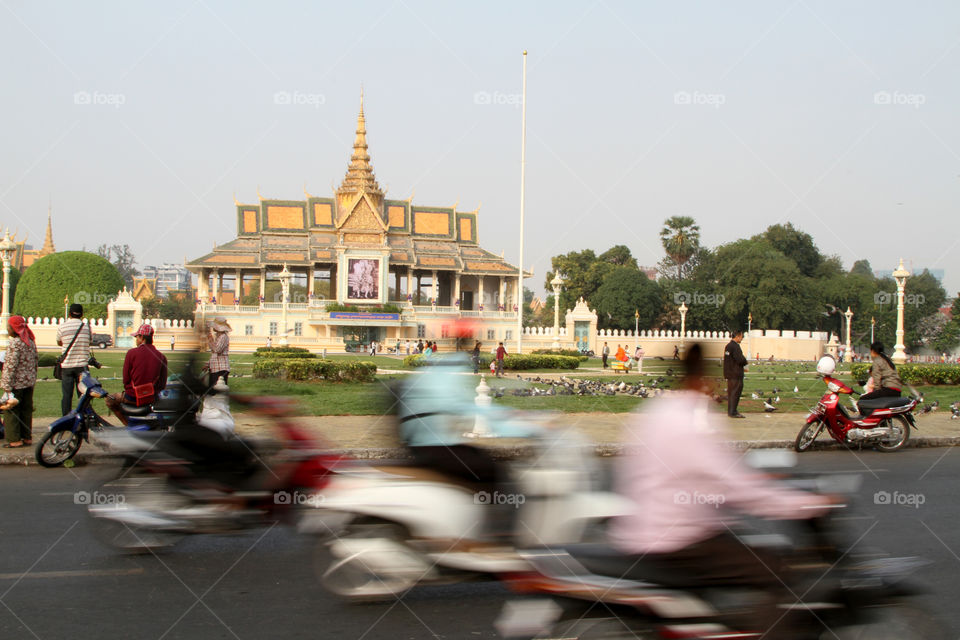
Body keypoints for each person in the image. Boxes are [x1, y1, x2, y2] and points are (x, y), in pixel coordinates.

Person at [611, 343, 831, 635]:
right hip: (681, 541)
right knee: (776, 570)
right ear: (700, 378)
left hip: (641, 531)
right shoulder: (693, 422)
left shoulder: (658, 410)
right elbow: (734, 486)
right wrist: (803, 505)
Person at [104, 325, 168, 425]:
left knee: (109, 400)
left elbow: (126, 380)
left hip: (132, 396)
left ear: (142, 338)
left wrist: (132, 391)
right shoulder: (161, 357)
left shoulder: (131, 353)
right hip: (152, 397)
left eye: (137, 337)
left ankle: (127, 424)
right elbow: (162, 384)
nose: (136, 340)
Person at [2, 316, 38, 448]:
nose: (7, 329)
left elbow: (10, 366)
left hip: (16, 383)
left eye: (9, 326)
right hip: (29, 382)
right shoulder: (30, 341)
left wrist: (6, 386)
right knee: (26, 410)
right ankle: (26, 437)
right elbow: (35, 361)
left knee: (11, 411)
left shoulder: (15, 343)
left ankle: (14, 439)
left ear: (14, 328)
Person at [56, 303, 92, 416]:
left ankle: (66, 419)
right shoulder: (86, 327)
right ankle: (84, 418)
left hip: (67, 366)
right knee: (83, 395)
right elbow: (89, 341)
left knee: (67, 396)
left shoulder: (62, 326)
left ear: (70, 314)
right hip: (82, 366)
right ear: (82, 314)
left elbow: (59, 342)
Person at [723, 329, 747, 418]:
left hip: (729, 374)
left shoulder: (728, 346)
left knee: (731, 393)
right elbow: (740, 359)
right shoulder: (735, 346)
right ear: (737, 336)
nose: (742, 339)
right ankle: (733, 412)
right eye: (741, 337)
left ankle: (731, 411)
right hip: (735, 374)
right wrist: (745, 361)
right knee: (735, 393)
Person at [206, 317, 231, 386]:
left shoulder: (223, 337)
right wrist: (208, 364)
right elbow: (214, 353)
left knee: (218, 390)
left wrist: (210, 338)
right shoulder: (218, 336)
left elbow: (217, 350)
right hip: (215, 367)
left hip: (221, 368)